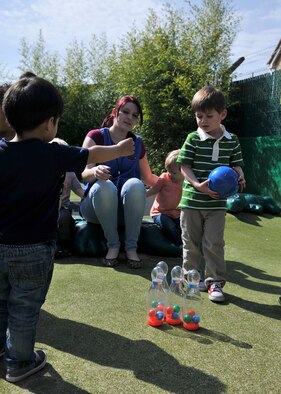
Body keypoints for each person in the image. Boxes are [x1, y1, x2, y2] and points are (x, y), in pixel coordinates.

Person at [0, 76, 134, 383]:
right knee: (24, 306)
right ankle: (19, 362)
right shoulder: (52, 153)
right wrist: (121, 149)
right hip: (33, 249)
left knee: (0, 302)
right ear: (50, 124)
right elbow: (93, 154)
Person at [177, 85, 246, 302]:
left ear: (222, 114)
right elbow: (184, 166)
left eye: (209, 116)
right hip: (192, 201)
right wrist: (197, 185)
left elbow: (236, 164)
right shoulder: (193, 138)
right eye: (199, 116)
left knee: (214, 243)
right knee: (190, 242)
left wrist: (240, 175)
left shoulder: (232, 140)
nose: (203, 121)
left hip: (216, 204)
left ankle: (214, 282)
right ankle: (191, 278)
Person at [79, 95, 158, 269]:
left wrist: (172, 181)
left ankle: (131, 249)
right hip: (96, 208)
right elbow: (83, 173)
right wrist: (94, 171)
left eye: (135, 115)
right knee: (104, 186)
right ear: (115, 112)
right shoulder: (96, 136)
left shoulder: (138, 143)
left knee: (135, 184)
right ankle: (113, 245)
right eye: (126, 112)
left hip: (123, 211)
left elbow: (148, 178)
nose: (130, 117)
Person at [50, 138, 85, 258]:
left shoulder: (70, 173)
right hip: (47, 207)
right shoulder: (45, 172)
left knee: (64, 218)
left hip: (63, 208)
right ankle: (52, 245)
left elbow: (79, 190)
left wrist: (89, 195)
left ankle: (65, 244)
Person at [146, 149, 183, 246]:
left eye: (174, 172)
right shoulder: (164, 178)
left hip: (177, 214)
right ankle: (180, 245)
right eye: (168, 171)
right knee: (169, 225)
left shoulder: (186, 183)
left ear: (183, 171)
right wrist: (143, 195)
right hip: (159, 213)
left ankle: (189, 246)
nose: (170, 174)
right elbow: (154, 189)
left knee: (185, 226)